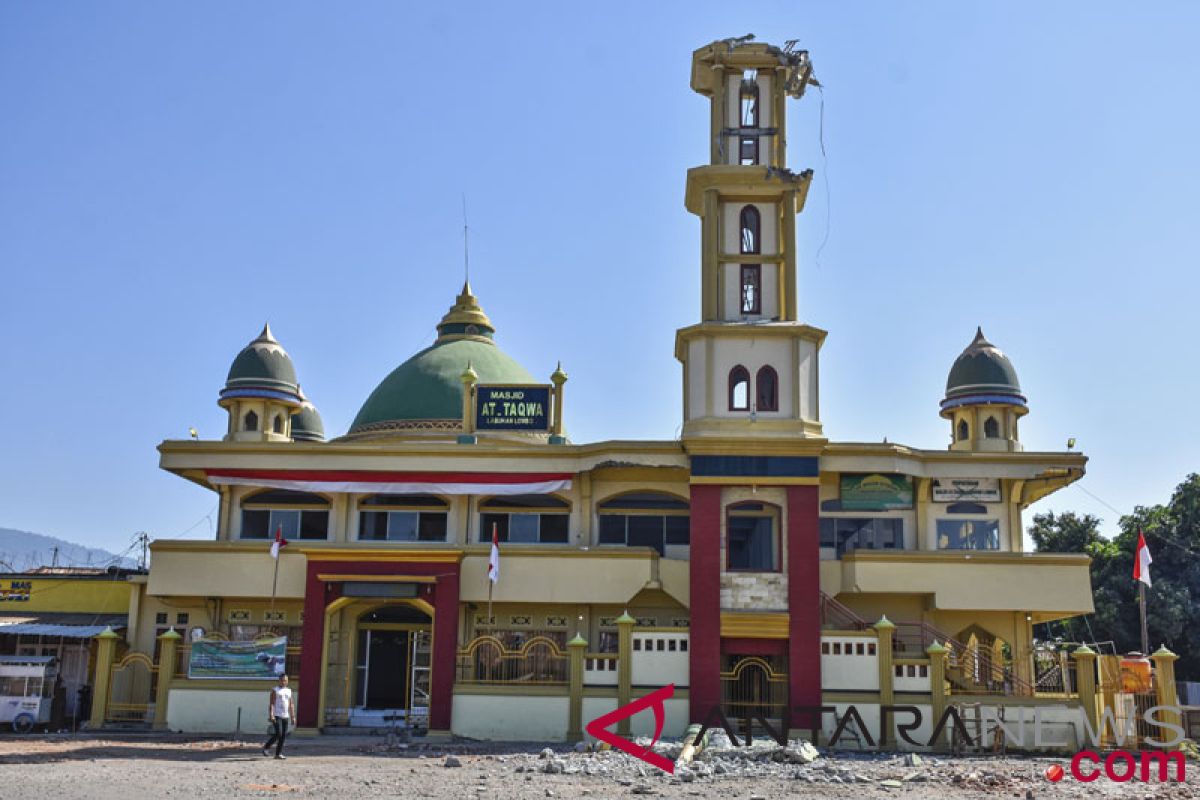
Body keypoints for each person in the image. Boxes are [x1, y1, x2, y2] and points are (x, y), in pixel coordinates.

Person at [262, 674, 295, 759]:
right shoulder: (275, 690)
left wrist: (292, 716)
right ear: (279, 681)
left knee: (283, 735)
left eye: (286, 680)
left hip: (285, 716)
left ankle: (278, 753)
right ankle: (266, 747)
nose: (284, 682)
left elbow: (291, 704)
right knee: (278, 733)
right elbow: (272, 704)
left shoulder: (289, 691)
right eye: (282, 680)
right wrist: (271, 715)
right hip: (277, 715)